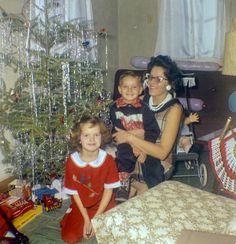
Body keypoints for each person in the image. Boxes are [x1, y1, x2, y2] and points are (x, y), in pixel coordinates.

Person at [113, 55, 184, 182]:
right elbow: (118, 130)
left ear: (169, 83)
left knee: (139, 196)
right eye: (150, 77)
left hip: (157, 163)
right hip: (131, 154)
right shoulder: (139, 100)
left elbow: (162, 153)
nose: (151, 82)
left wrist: (130, 137)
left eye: (159, 79)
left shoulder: (174, 109)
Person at [60, 115, 120, 243]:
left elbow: (108, 191)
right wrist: (87, 219)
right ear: (79, 139)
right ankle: (70, 215)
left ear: (101, 137)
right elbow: (74, 193)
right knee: (69, 237)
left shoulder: (108, 161)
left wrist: (96, 218)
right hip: (82, 206)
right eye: (86, 135)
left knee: (114, 234)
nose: (92, 139)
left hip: (104, 204)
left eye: (96, 135)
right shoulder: (72, 162)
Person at [110, 71, 162, 200]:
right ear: (119, 89)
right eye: (125, 87)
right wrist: (131, 144)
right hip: (123, 140)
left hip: (143, 141)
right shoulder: (114, 108)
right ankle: (124, 182)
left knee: (153, 163)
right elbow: (117, 129)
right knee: (124, 153)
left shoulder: (144, 109)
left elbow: (153, 130)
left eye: (134, 87)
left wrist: (143, 147)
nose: (129, 90)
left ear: (140, 90)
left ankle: (152, 187)